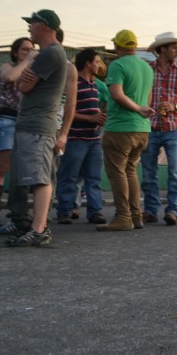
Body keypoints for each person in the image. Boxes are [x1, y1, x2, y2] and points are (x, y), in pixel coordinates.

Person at [5, 10, 68, 248]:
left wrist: (26, 68)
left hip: (38, 125)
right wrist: (24, 79)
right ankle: (35, 227)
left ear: (42, 25)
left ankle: (39, 229)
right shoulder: (49, 53)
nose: (29, 28)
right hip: (32, 124)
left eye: (32, 24)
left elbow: (24, 86)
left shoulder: (50, 53)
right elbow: (22, 83)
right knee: (34, 176)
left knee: (41, 178)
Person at [98, 29, 154, 232]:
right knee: (130, 170)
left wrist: (136, 108)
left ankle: (123, 216)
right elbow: (147, 99)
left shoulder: (117, 65)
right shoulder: (146, 67)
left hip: (120, 128)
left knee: (117, 172)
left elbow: (116, 94)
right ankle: (136, 215)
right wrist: (141, 109)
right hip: (142, 129)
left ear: (117, 46)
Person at [141, 32, 177, 226]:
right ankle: (150, 210)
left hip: (174, 128)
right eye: (174, 47)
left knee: (175, 170)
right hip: (150, 127)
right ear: (162, 49)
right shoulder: (147, 70)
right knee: (148, 172)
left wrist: (175, 106)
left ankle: (173, 210)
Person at [55, 48, 108, 225]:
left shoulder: (94, 85)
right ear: (88, 63)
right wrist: (90, 118)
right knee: (69, 176)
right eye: (97, 61)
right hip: (76, 139)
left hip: (94, 139)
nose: (99, 65)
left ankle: (95, 211)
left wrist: (98, 117)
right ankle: (65, 211)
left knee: (93, 178)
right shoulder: (74, 83)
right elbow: (67, 111)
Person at [0, 37, 35, 231]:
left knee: (22, 170)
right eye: (24, 50)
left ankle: (19, 213)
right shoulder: (7, 66)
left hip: (25, 122)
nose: (29, 52)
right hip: (7, 120)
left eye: (32, 49)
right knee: (1, 167)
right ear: (15, 53)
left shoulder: (31, 71)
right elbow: (10, 77)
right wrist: (28, 60)